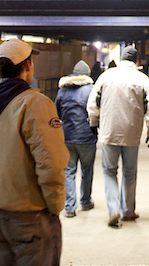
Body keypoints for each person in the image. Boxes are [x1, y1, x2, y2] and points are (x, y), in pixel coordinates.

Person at [0, 39, 68, 266]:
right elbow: (50, 163)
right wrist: (55, 204)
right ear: (28, 65)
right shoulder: (35, 103)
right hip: (30, 215)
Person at [87, 46, 149, 228]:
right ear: (136, 61)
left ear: (120, 59)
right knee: (130, 172)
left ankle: (113, 209)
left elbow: (93, 102)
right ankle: (128, 211)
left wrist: (94, 123)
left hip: (109, 131)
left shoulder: (106, 76)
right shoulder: (142, 79)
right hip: (132, 133)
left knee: (109, 171)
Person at [54, 60, 96, 217]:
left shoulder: (62, 90)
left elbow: (56, 112)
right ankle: (85, 201)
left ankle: (70, 207)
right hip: (87, 136)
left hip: (67, 137)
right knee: (87, 170)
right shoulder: (91, 90)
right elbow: (96, 111)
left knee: (69, 171)